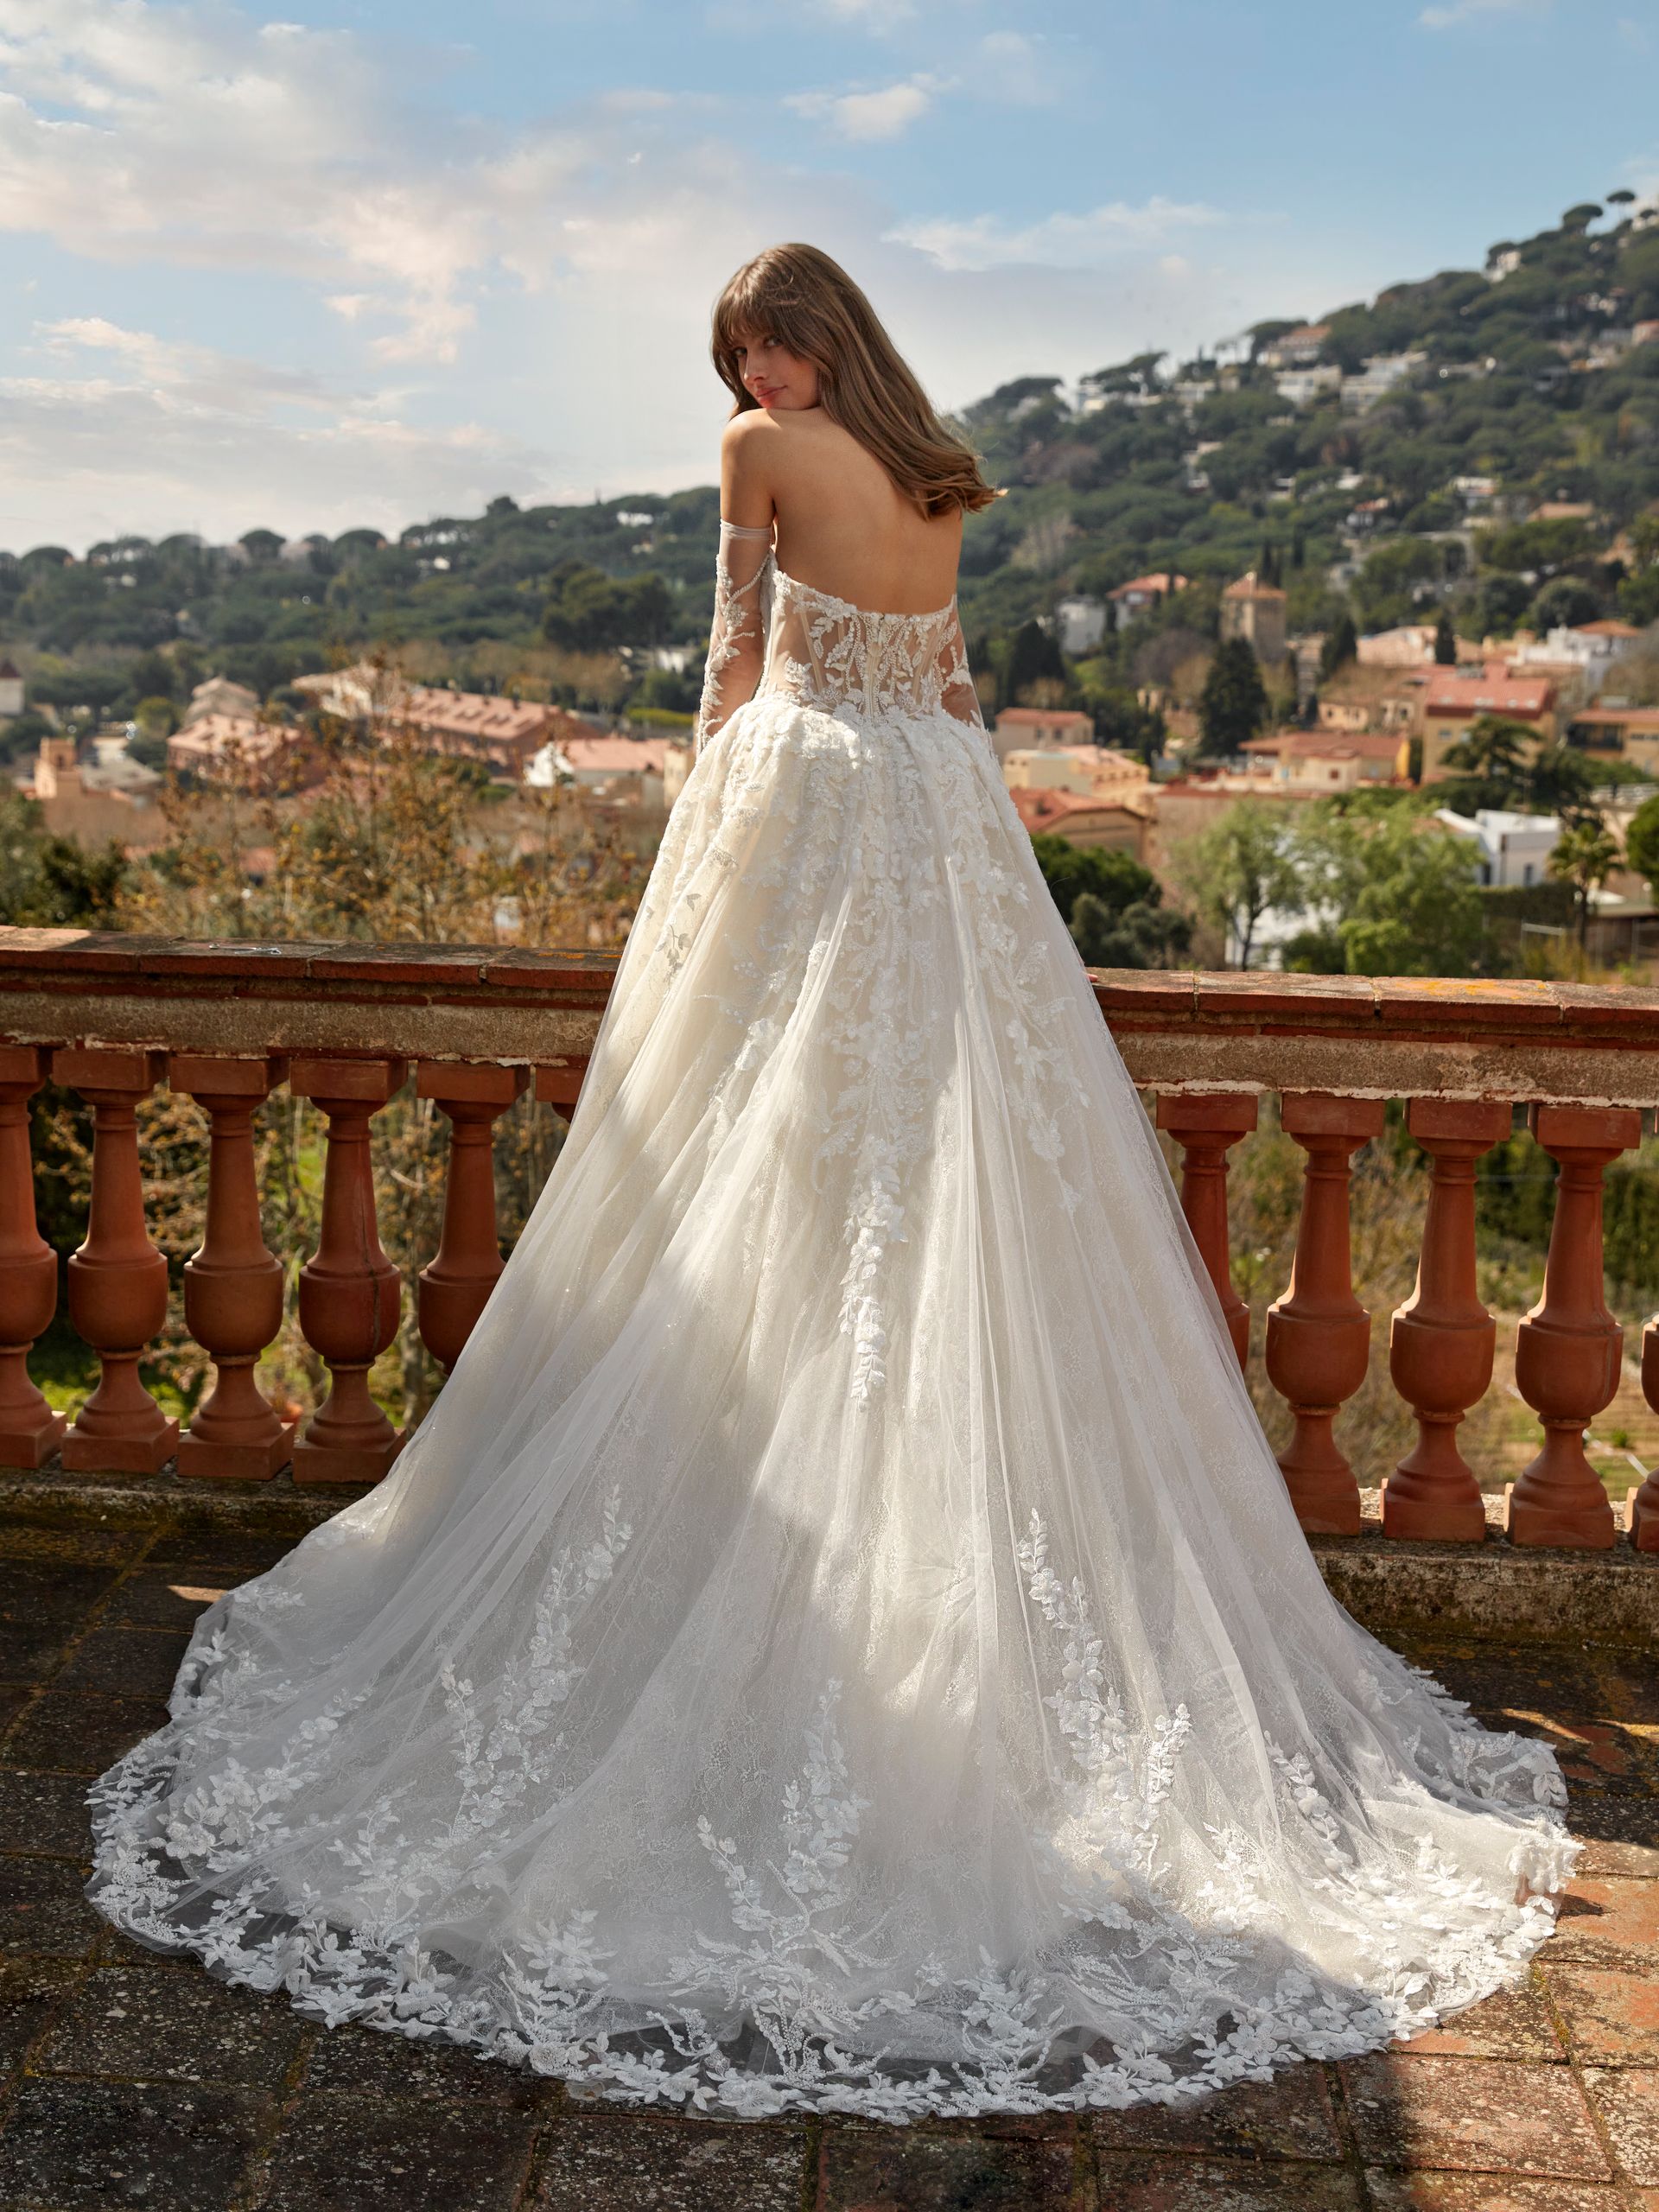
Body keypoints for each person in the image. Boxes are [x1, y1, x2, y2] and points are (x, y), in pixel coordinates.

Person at [87, 244, 1576, 2125]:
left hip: (811, 810)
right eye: (739, 354)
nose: (753, 373)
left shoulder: (754, 455)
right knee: (918, 1187)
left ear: (816, 341)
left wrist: (699, 857)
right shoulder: (947, 478)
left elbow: (733, 663)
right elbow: (945, 686)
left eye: (766, 343)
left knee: (757, 1161)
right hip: (937, 830)